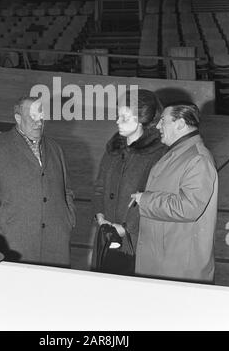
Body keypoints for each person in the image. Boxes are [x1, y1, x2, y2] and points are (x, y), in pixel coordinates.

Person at [0, 96, 76, 267]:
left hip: (56, 242)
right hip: (13, 239)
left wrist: (68, 217)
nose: (38, 122)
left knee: (53, 292)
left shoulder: (55, 148)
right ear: (18, 118)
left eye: (41, 117)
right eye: (32, 117)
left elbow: (67, 190)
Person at [131, 102, 218, 283]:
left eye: (163, 121)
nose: (157, 126)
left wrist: (145, 200)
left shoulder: (198, 158)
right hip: (165, 262)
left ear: (180, 124)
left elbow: (188, 208)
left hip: (178, 268)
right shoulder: (180, 153)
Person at [92, 89, 167, 275]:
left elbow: (155, 198)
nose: (118, 121)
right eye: (118, 116)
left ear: (142, 119)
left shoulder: (159, 154)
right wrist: (99, 215)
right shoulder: (114, 148)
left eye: (124, 117)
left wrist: (127, 228)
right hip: (106, 234)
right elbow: (99, 187)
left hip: (136, 241)